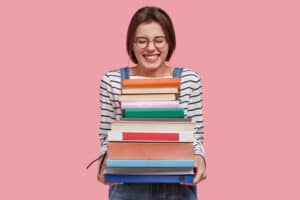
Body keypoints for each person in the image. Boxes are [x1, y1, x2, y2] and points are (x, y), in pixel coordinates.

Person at [97, 6, 207, 200]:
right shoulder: (112, 80)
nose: (150, 48)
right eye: (142, 41)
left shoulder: (189, 79)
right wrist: (102, 162)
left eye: (159, 40)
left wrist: (200, 158)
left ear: (169, 42)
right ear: (132, 44)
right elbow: (106, 135)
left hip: (178, 187)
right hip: (127, 188)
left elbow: (196, 136)